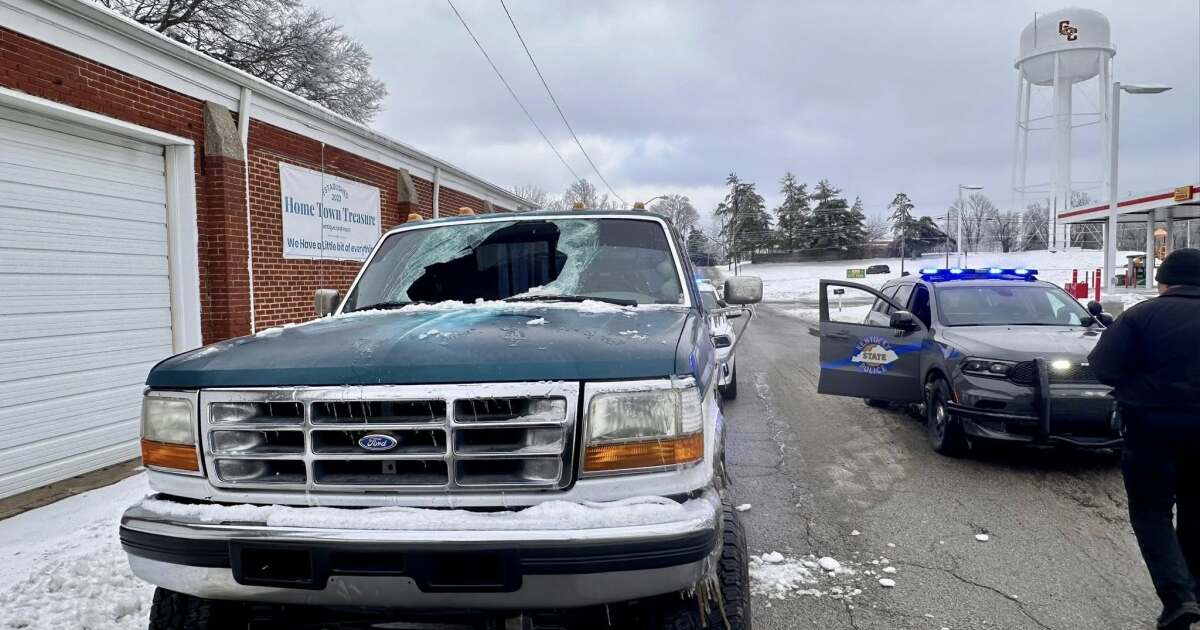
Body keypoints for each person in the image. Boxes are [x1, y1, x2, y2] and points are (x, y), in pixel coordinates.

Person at [1089, 247, 1200, 630]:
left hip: (1150, 426)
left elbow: (1103, 367)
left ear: (1163, 281)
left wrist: (1140, 383)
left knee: (1151, 511)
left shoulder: (1141, 316)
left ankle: (1178, 597)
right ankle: (1194, 589)